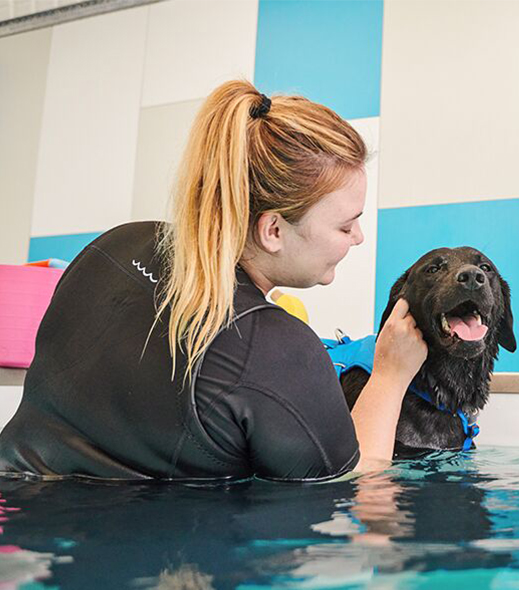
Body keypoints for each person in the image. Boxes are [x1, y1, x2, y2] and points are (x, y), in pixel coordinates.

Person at [0, 80, 427, 481]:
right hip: (112, 546)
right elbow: (352, 487)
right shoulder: (277, 348)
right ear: (273, 230)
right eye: (345, 225)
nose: (358, 237)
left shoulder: (115, 244)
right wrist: (390, 375)